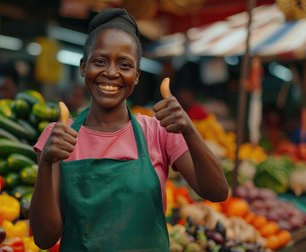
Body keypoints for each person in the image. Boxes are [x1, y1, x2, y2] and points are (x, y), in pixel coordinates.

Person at [29, 8, 229, 251]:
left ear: (136, 76)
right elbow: (44, 238)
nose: (111, 72)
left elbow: (217, 191)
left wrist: (189, 129)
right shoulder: (59, 136)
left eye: (124, 64)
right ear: (83, 67)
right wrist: (47, 162)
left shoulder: (158, 131)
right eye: (99, 61)